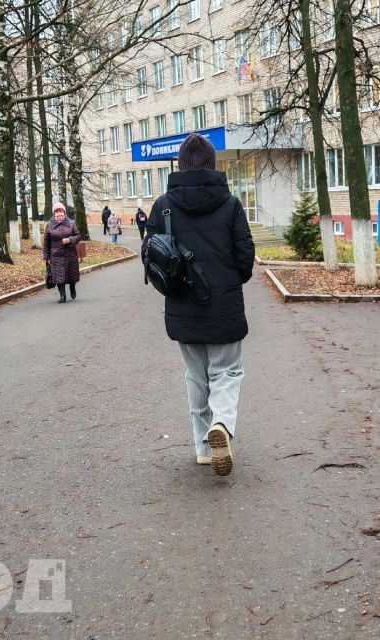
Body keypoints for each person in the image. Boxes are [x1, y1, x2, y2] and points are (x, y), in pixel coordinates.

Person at [144, 133, 254, 476]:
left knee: (196, 376)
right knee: (227, 371)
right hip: (224, 307)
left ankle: (204, 449)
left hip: (183, 307)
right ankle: (221, 423)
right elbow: (245, 260)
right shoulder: (231, 204)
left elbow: (151, 260)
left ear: (180, 165)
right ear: (212, 165)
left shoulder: (162, 205)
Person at [43, 201, 81, 303]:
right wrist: (46, 257)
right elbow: (46, 243)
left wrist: (70, 240)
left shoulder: (71, 224)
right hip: (56, 256)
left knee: (71, 275)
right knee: (59, 276)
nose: (59, 214)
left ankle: (72, 288)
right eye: (57, 212)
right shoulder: (49, 226)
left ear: (64, 213)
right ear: (54, 214)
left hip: (70, 254)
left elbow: (78, 236)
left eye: (61, 212)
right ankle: (62, 295)